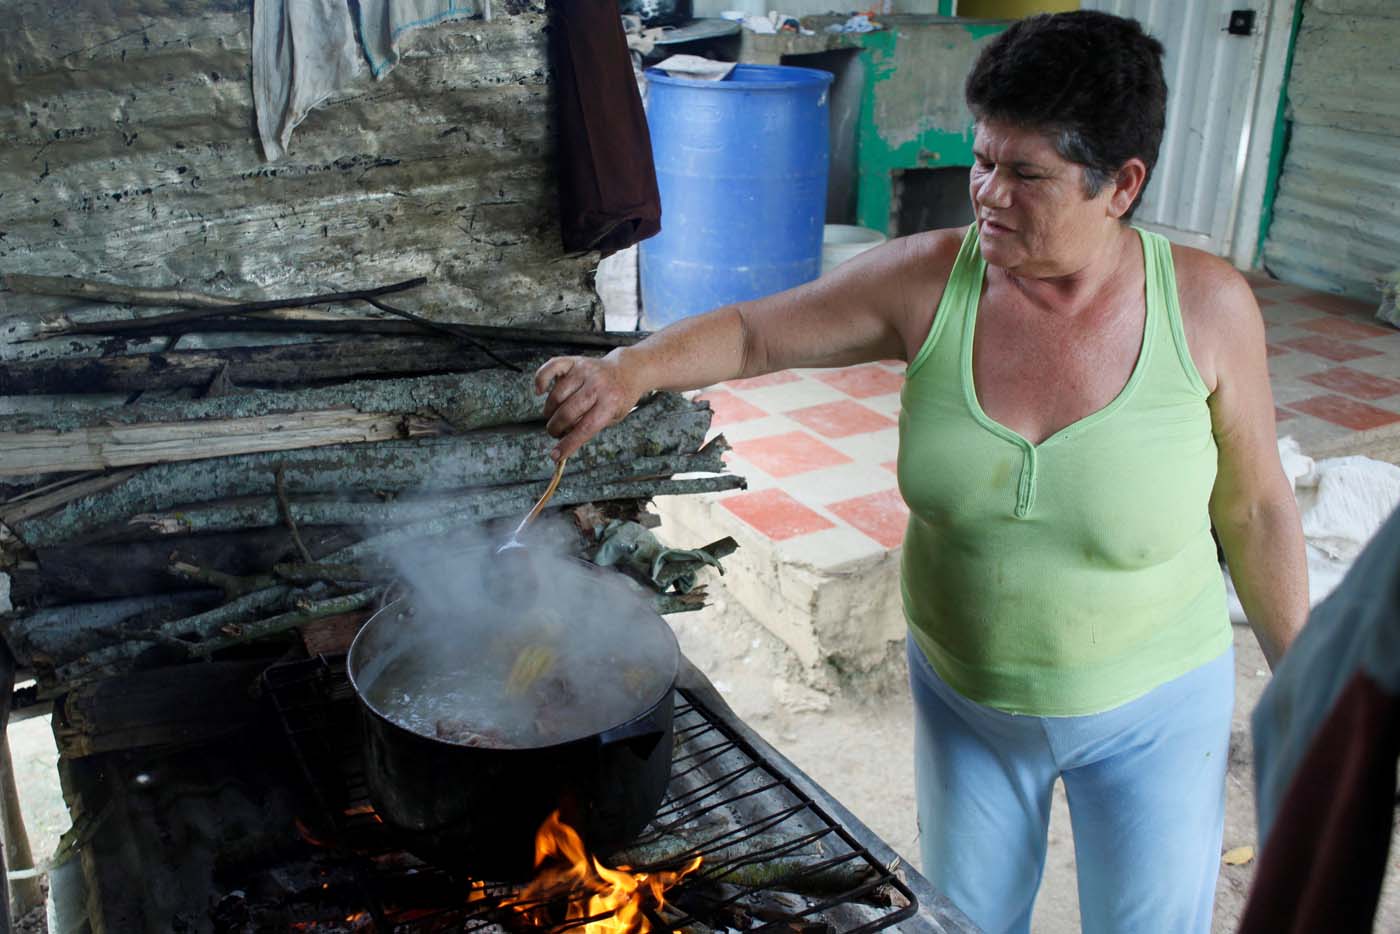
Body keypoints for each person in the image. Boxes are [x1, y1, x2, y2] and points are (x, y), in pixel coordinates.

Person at [535, 11, 1308, 933]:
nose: (987, 192)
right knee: (964, 921)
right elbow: (753, 332)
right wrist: (627, 373)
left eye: (1027, 175)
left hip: (1153, 714)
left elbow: (1258, 509)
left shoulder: (1208, 308)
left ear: (1122, 185)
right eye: (984, 159)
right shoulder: (932, 280)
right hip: (968, 705)